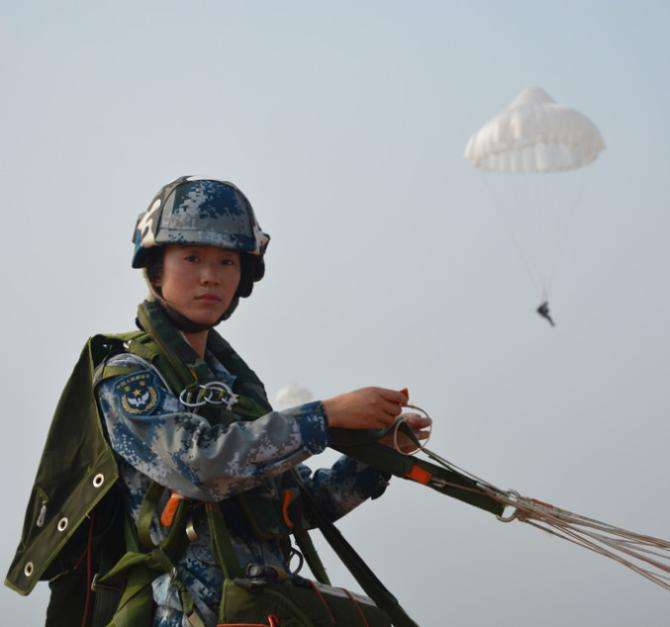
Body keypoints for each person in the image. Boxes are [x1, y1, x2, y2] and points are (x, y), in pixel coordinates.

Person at [6, 176, 430, 626]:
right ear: (156, 269)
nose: (210, 276)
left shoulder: (236, 388)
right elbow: (200, 467)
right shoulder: (128, 376)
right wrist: (324, 416)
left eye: (226, 261)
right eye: (192, 258)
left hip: (259, 611)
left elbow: (297, 505)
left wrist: (377, 459)